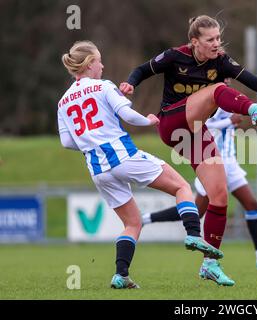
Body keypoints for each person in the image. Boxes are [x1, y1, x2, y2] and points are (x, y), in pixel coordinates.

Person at [120, 15, 257, 286]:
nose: (216, 44)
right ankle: (254, 110)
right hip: (171, 122)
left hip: (196, 134)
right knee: (217, 90)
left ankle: (209, 265)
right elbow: (143, 70)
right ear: (194, 42)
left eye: (218, 38)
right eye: (210, 40)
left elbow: (255, 81)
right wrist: (131, 82)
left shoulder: (220, 60)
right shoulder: (175, 56)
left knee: (219, 195)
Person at [58, 40, 224, 289]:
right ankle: (192, 235)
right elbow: (127, 115)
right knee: (181, 188)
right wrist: (148, 121)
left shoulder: (63, 101)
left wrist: (90, 141)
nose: (102, 65)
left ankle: (121, 275)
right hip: (124, 157)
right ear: (90, 63)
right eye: (99, 60)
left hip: (98, 170)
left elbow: (67, 141)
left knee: (132, 223)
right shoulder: (103, 87)